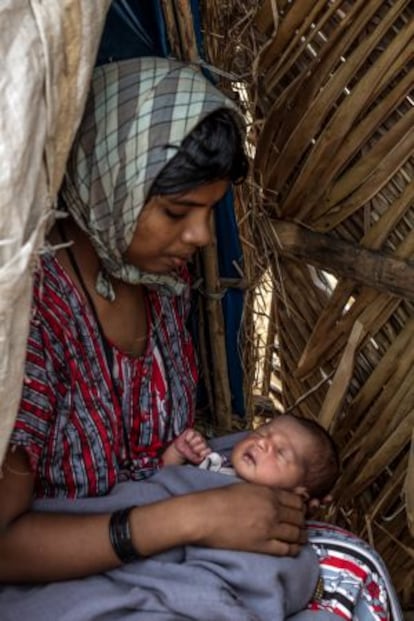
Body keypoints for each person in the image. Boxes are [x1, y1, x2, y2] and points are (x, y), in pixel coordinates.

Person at [0, 56, 309, 587]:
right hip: (58, 579)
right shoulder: (30, 320)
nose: (201, 237)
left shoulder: (162, 287)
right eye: (176, 212)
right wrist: (193, 518)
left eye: (211, 211)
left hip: (161, 558)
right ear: (109, 185)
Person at [163, 414, 340, 500]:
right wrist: (177, 454)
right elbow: (162, 483)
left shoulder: (256, 516)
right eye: (262, 432)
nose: (262, 443)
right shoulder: (214, 460)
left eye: (280, 452)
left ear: (298, 493)